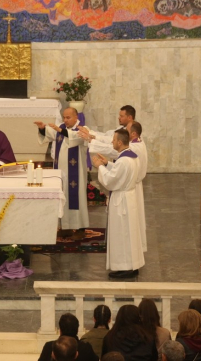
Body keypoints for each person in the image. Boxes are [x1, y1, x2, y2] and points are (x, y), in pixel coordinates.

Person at [92, 129, 143, 279]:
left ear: (120, 142)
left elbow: (110, 181)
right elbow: (120, 172)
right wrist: (107, 163)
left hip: (121, 202)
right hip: (129, 199)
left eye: (114, 140)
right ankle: (133, 265)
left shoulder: (123, 160)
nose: (112, 142)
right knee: (130, 234)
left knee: (122, 234)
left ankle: (125, 267)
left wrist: (99, 166)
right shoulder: (132, 157)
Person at [34, 107, 89, 231]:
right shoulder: (61, 128)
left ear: (76, 118)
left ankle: (80, 228)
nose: (65, 120)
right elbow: (50, 134)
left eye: (68, 117)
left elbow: (74, 137)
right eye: (64, 117)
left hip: (76, 174)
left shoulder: (83, 130)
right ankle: (65, 227)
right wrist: (42, 128)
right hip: (60, 171)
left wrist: (60, 129)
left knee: (76, 197)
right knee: (63, 195)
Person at [128, 121, 148, 252]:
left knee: (133, 221)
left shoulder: (134, 148)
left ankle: (135, 247)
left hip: (131, 188)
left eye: (127, 130)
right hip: (135, 186)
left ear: (134, 133)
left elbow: (112, 150)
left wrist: (102, 166)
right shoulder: (138, 142)